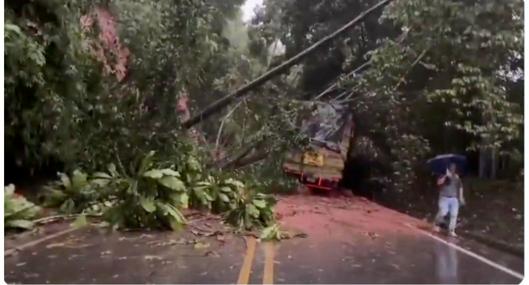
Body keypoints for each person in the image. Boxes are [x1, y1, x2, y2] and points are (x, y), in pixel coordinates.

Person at [433, 163, 465, 237]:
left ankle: (451, 230)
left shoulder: (457, 177)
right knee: (443, 212)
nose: (452, 169)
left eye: (454, 168)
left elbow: (460, 187)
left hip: (454, 199)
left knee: (454, 214)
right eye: (451, 168)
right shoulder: (443, 175)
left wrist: (461, 197)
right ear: (448, 168)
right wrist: (445, 176)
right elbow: (438, 183)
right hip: (444, 198)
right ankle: (437, 223)